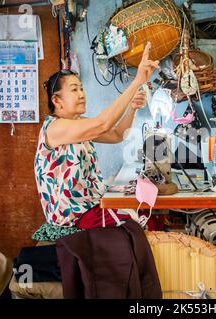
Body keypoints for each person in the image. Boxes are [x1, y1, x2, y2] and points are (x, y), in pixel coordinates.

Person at [35, 42, 159, 228]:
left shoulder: (78, 124)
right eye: (74, 90)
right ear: (56, 100)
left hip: (89, 206)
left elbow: (117, 134)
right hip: (74, 217)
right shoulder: (55, 128)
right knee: (143, 221)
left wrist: (132, 108)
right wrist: (136, 82)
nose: (82, 94)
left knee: (149, 213)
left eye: (82, 88)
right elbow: (103, 124)